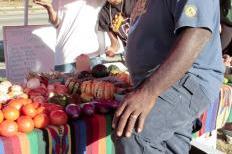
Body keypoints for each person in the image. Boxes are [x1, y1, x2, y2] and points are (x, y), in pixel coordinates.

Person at [112, 0, 224, 153]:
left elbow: (197, 33)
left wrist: (148, 91)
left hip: (186, 80)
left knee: (134, 132)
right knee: (170, 146)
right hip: (165, 83)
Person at [33, 0, 105, 72]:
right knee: (64, 83)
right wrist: (49, 8)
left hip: (91, 54)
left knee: (96, 83)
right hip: (67, 56)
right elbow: (56, 23)